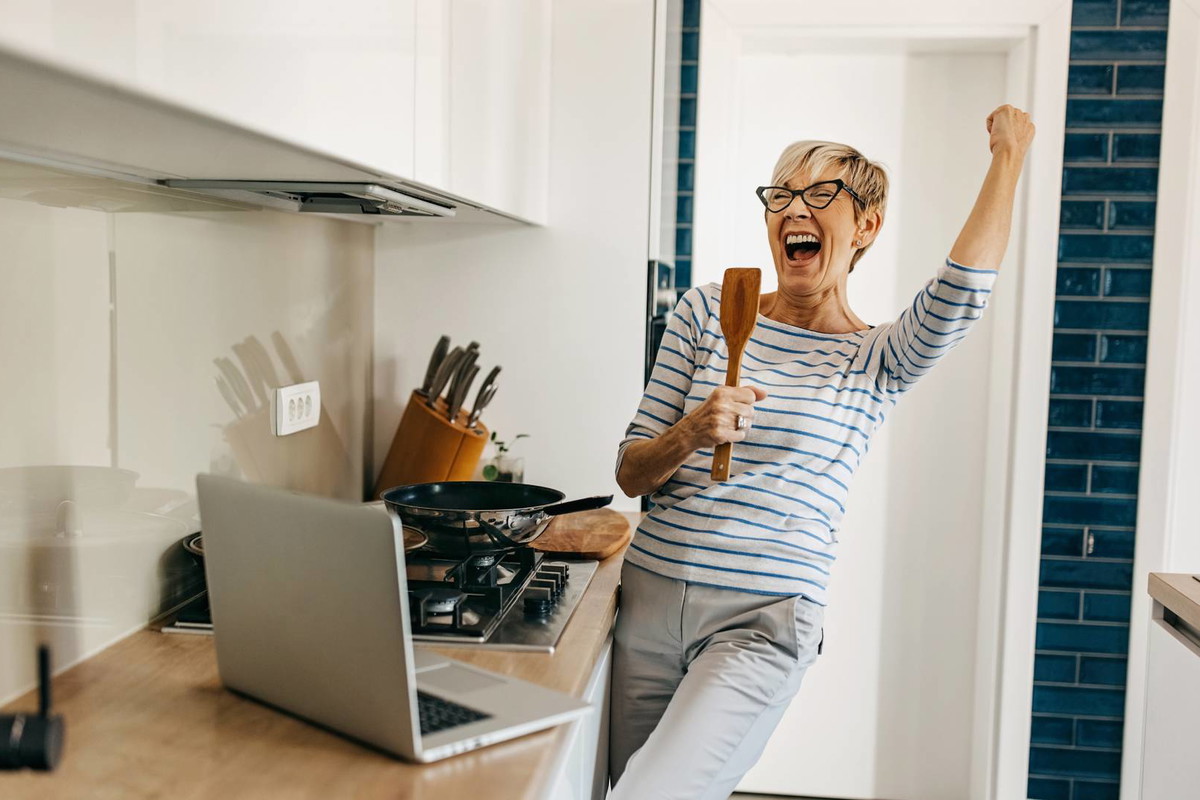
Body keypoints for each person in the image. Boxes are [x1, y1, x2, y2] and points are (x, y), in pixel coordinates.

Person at [609, 105, 1036, 799]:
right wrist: (691, 431)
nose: (793, 210)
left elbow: (962, 292)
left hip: (762, 619)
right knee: (625, 786)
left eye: (821, 194)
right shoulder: (707, 312)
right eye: (781, 195)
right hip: (649, 602)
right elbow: (630, 472)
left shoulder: (876, 357)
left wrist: (1009, 156)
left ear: (866, 226)